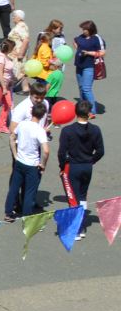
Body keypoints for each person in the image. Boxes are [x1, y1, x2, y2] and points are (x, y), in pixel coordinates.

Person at [58, 100, 104, 235]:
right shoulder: (95, 130)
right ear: (89, 114)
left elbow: (61, 153)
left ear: (75, 112)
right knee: (82, 196)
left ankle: (77, 229)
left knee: (73, 198)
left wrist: (62, 166)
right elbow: (100, 151)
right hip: (87, 167)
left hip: (72, 167)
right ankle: (81, 226)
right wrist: (91, 161)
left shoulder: (67, 131)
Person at [5, 99, 50, 222]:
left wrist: (15, 154)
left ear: (32, 112)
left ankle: (8, 213)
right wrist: (43, 164)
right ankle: (27, 217)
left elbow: (12, 137)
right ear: (42, 116)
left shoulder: (22, 124)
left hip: (20, 161)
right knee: (30, 192)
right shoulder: (40, 130)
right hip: (32, 165)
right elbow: (46, 150)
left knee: (14, 188)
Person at [73, 20, 105, 111]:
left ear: (90, 29)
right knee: (81, 87)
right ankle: (83, 108)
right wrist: (77, 48)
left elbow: (102, 53)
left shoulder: (96, 38)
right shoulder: (80, 37)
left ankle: (92, 111)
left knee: (86, 89)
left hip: (89, 66)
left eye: (85, 29)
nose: (83, 31)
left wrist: (88, 53)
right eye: (83, 29)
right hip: (79, 65)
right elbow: (75, 40)